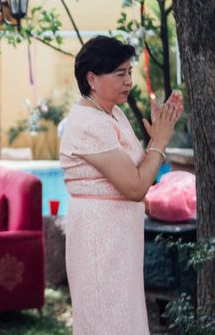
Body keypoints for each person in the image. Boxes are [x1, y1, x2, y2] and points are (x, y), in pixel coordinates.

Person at [59, 36, 183, 334]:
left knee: (122, 320)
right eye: (119, 73)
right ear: (92, 78)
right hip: (99, 243)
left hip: (118, 243)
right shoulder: (89, 123)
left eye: (129, 72)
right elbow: (136, 187)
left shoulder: (111, 113)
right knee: (107, 322)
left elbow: (141, 173)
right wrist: (160, 142)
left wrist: (156, 142)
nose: (129, 81)